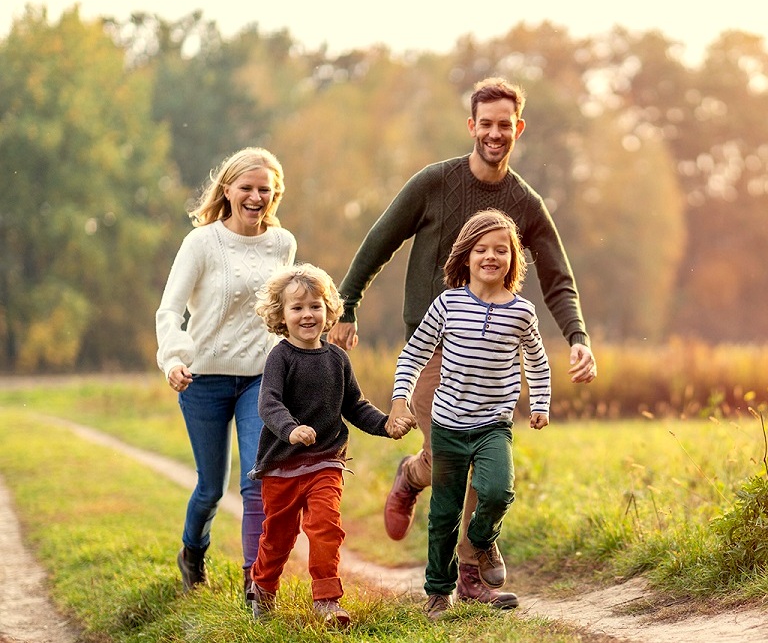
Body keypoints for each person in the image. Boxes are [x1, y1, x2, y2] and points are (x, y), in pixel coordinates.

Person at [329, 77, 598, 607]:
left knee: (485, 458)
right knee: (448, 455)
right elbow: (379, 240)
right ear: (471, 126)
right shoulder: (434, 182)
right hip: (433, 344)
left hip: (493, 356)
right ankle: (412, 476)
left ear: (517, 129)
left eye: (505, 125)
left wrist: (577, 337)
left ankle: (471, 568)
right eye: (486, 124)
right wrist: (348, 305)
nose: (495, 134)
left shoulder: (524, 202)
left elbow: (556, 276)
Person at [388, 209, 550, 620]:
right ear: (466, 256)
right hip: (447, 425)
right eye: (481, 249)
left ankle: (481, 541)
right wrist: (400, 398)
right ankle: (438, 592)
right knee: (444, 511)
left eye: (501, 250)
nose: (490, 257)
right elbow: (415, 353)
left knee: (498, 490)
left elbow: (537, 361)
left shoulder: (522, 312)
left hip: (494, 423)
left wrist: (541, 404)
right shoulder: (448, 303)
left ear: (513, 258)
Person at [155, 147, 296, 601]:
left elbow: (284, 309)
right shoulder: (201, 242)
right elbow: (170, 309)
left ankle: (256, 584)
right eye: (247, 188)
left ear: (274, 195)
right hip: (204, 378)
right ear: (228, 190)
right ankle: (192, 552)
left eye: (264, 190)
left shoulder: (282, 243)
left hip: (261, 376)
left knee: (257, 480)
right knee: (210, 488)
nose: (255, 197)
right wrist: (174, 359)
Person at [246, 263, 412, 625]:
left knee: (326, 526)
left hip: (326, 462)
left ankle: (326, 600)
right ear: (281, 315)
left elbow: (354, 406)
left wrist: (387, 424)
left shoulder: (337, 358)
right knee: (278, 537)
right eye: (297, 308)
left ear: (329, 310)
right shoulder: (280, 357)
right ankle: (262, 587)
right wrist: (290, 429)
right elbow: (268, 403)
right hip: (282, 465)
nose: (308, 315)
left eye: (315, 306)